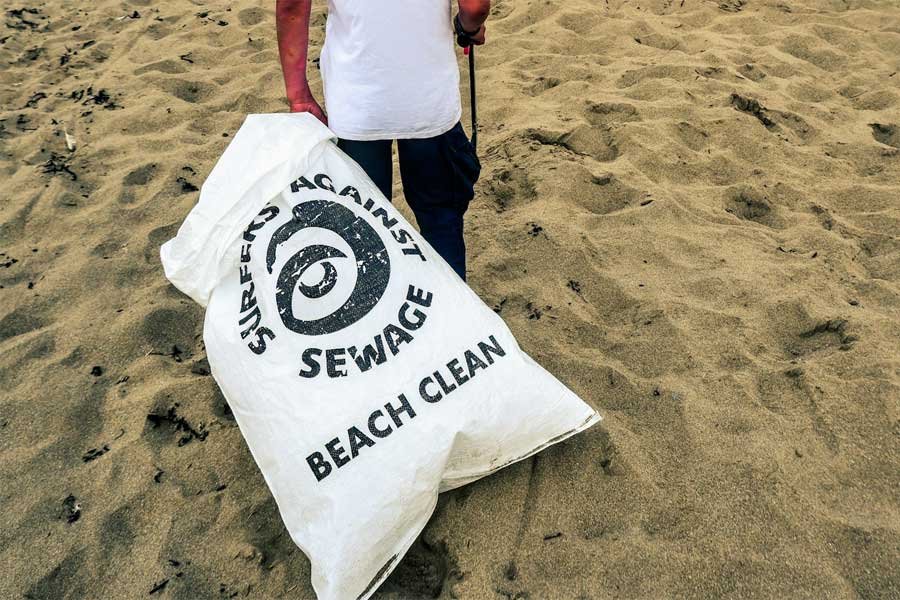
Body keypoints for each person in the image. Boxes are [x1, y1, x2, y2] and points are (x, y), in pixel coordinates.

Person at [276, 0, 490, 280]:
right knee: (441, 223)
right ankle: (454, 317)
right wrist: (468, 27)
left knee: (363, 232)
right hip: (428, 101)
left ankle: (377, 318)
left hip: (357, 102)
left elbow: (292, 6)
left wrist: (298, 94)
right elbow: (475, 7)